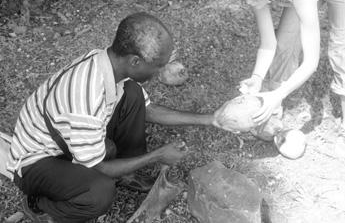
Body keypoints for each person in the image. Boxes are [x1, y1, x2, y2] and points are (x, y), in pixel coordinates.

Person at [6, 12, 220, 223]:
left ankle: (127, 174)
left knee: (133, 95)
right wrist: (158, 156)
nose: (161, 72)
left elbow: (148, 109)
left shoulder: (110, 66)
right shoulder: (85, 96)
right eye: (158, 66)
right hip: (36, 162)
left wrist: (210, 119)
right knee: (99, 192)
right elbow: (99, 167)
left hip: (65, 142)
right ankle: (42, 207)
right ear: (135, 61)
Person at [231, 0, 345, 157]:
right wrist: (257, 77)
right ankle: (273, 110)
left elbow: (311, 62)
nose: (247, 1)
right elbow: (268, 45)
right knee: (284, 45)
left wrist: (279, 93)